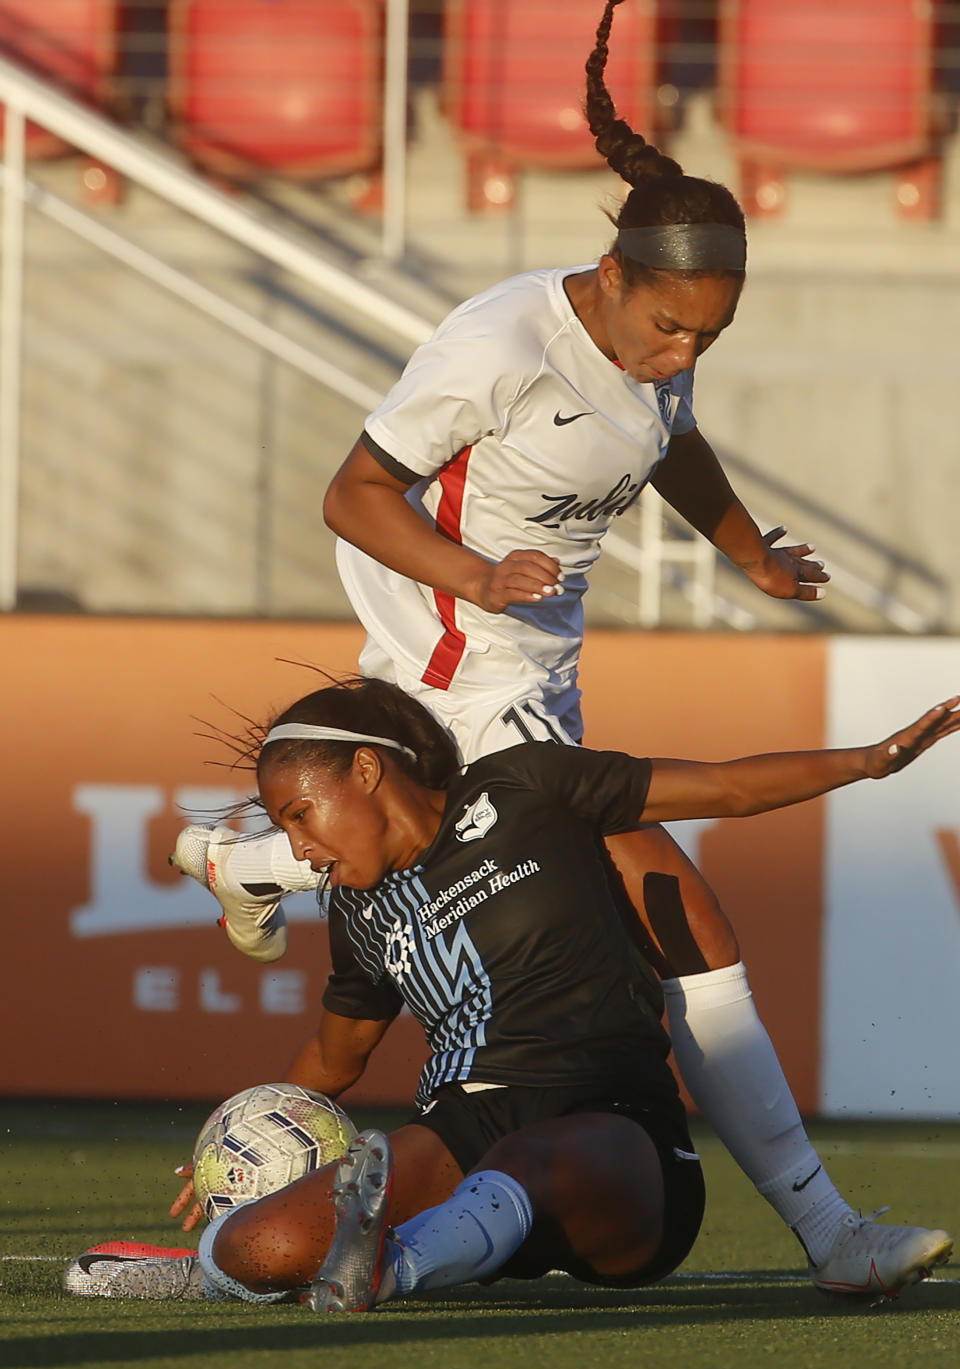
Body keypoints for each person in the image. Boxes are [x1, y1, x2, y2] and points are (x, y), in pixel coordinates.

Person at [170, 0, 941, 1295]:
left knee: (685, 924)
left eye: (708, 335)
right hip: (458, 676)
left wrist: (747, 548)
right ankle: (830, 1234)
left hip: (535, 673)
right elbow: (352, 494)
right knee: (686, 921)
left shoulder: (660, 346)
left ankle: (243, 862)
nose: (683, 353)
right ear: (615, 281)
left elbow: (669, 437)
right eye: (669, 329)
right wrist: (475, 571)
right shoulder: (497, 343)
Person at [71, 679, 957, 1307]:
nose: (297, 851)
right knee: (263, 1242)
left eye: (300, 815)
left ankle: (386, 1266)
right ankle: (217, 1267)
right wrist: (238, 1137)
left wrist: (869, 761)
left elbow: (721, 786)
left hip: (613, 1124)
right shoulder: (357, 907)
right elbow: (335, 1059)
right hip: (461, 1119)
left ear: (368, 775)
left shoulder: (524, 787)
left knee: (524, 1169)